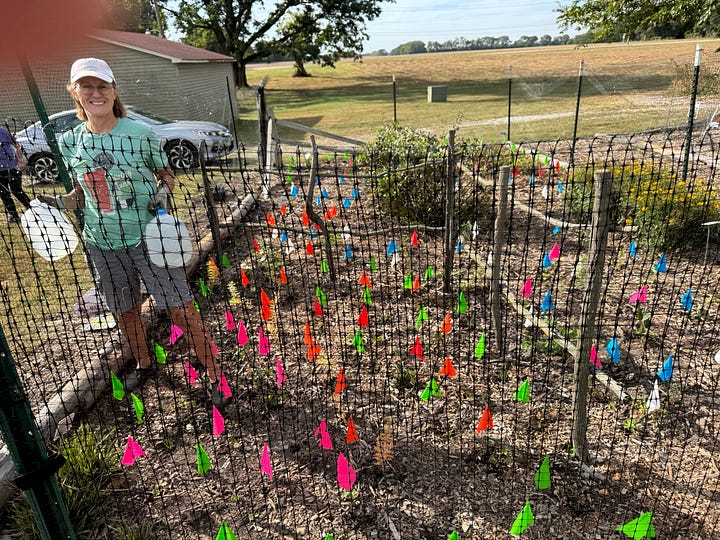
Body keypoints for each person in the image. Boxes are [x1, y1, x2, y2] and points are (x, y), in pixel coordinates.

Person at [52, 57, 230, 407]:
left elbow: (166, 174)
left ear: (114, 90)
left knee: (180, 308)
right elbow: (81, 191)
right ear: (74, 92)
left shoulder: (140, 135)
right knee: (125, 309)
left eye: (102, 86)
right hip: (102, 243)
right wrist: (63, 203)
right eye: (86, 87)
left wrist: (162, 193)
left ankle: (214, 374)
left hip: (149, 238)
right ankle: (144, 363)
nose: (95, 93)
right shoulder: (70, 141)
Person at [0, 125, 31, 223]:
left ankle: (31, 209)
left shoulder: (2, 131)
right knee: (3, 193)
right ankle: (13, 215)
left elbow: (17, 145)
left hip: (12, 167)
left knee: (16, 190)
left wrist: (20, 161)